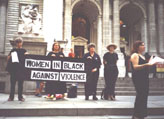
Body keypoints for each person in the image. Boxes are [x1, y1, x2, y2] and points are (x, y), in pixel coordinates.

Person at [130, 41, 156, 119]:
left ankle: (141, 115)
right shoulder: (135, 55)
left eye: (144, 45)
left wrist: (150, 62)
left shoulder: (143, 56)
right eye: (142, 45)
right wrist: (147, 64)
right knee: (140, 95)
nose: (144, 47)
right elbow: (135, 66)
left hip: (144, 77)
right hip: (138, 78)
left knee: (144, 95)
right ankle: (136, 115)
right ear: (137, 47)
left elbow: (143, 66)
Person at [6, 37, 28, 101]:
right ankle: (11, 97)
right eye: (17, 42)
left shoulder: (24, 50)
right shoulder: (13, 50)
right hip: (14, 70)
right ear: (16, 43)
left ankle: (20, 97)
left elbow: (28, 59)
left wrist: (27, 54)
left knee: (20, 85)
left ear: (22, 43)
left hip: (21, 70)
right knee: (12, 84)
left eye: (20, 42)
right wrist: (9, 57)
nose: (19, 44)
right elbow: (8, 58)